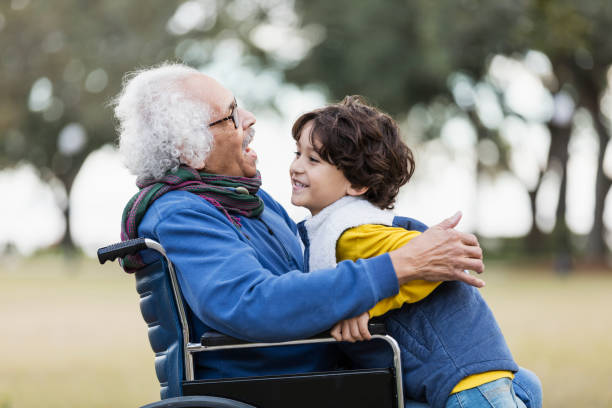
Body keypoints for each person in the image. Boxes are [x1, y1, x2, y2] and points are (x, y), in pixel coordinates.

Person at [113, 63, 508, 401]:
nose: (250, 120)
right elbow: (253, 304)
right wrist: (400, 265)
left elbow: (323, 246)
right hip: (285, 388)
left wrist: (420, 244)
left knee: (514, 386)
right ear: (189, 146)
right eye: (231, 115)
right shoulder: (183, 214)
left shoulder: (253, 201)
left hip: (330, 374)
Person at [289, 95, 542, 408]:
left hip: (464, 385)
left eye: (313, 160)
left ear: (356, 184)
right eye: (297, 153)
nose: (295, 167)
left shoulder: (354, 234)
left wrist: (369, 303)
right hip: (472, 378)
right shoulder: (349, 227)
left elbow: (429, 263)